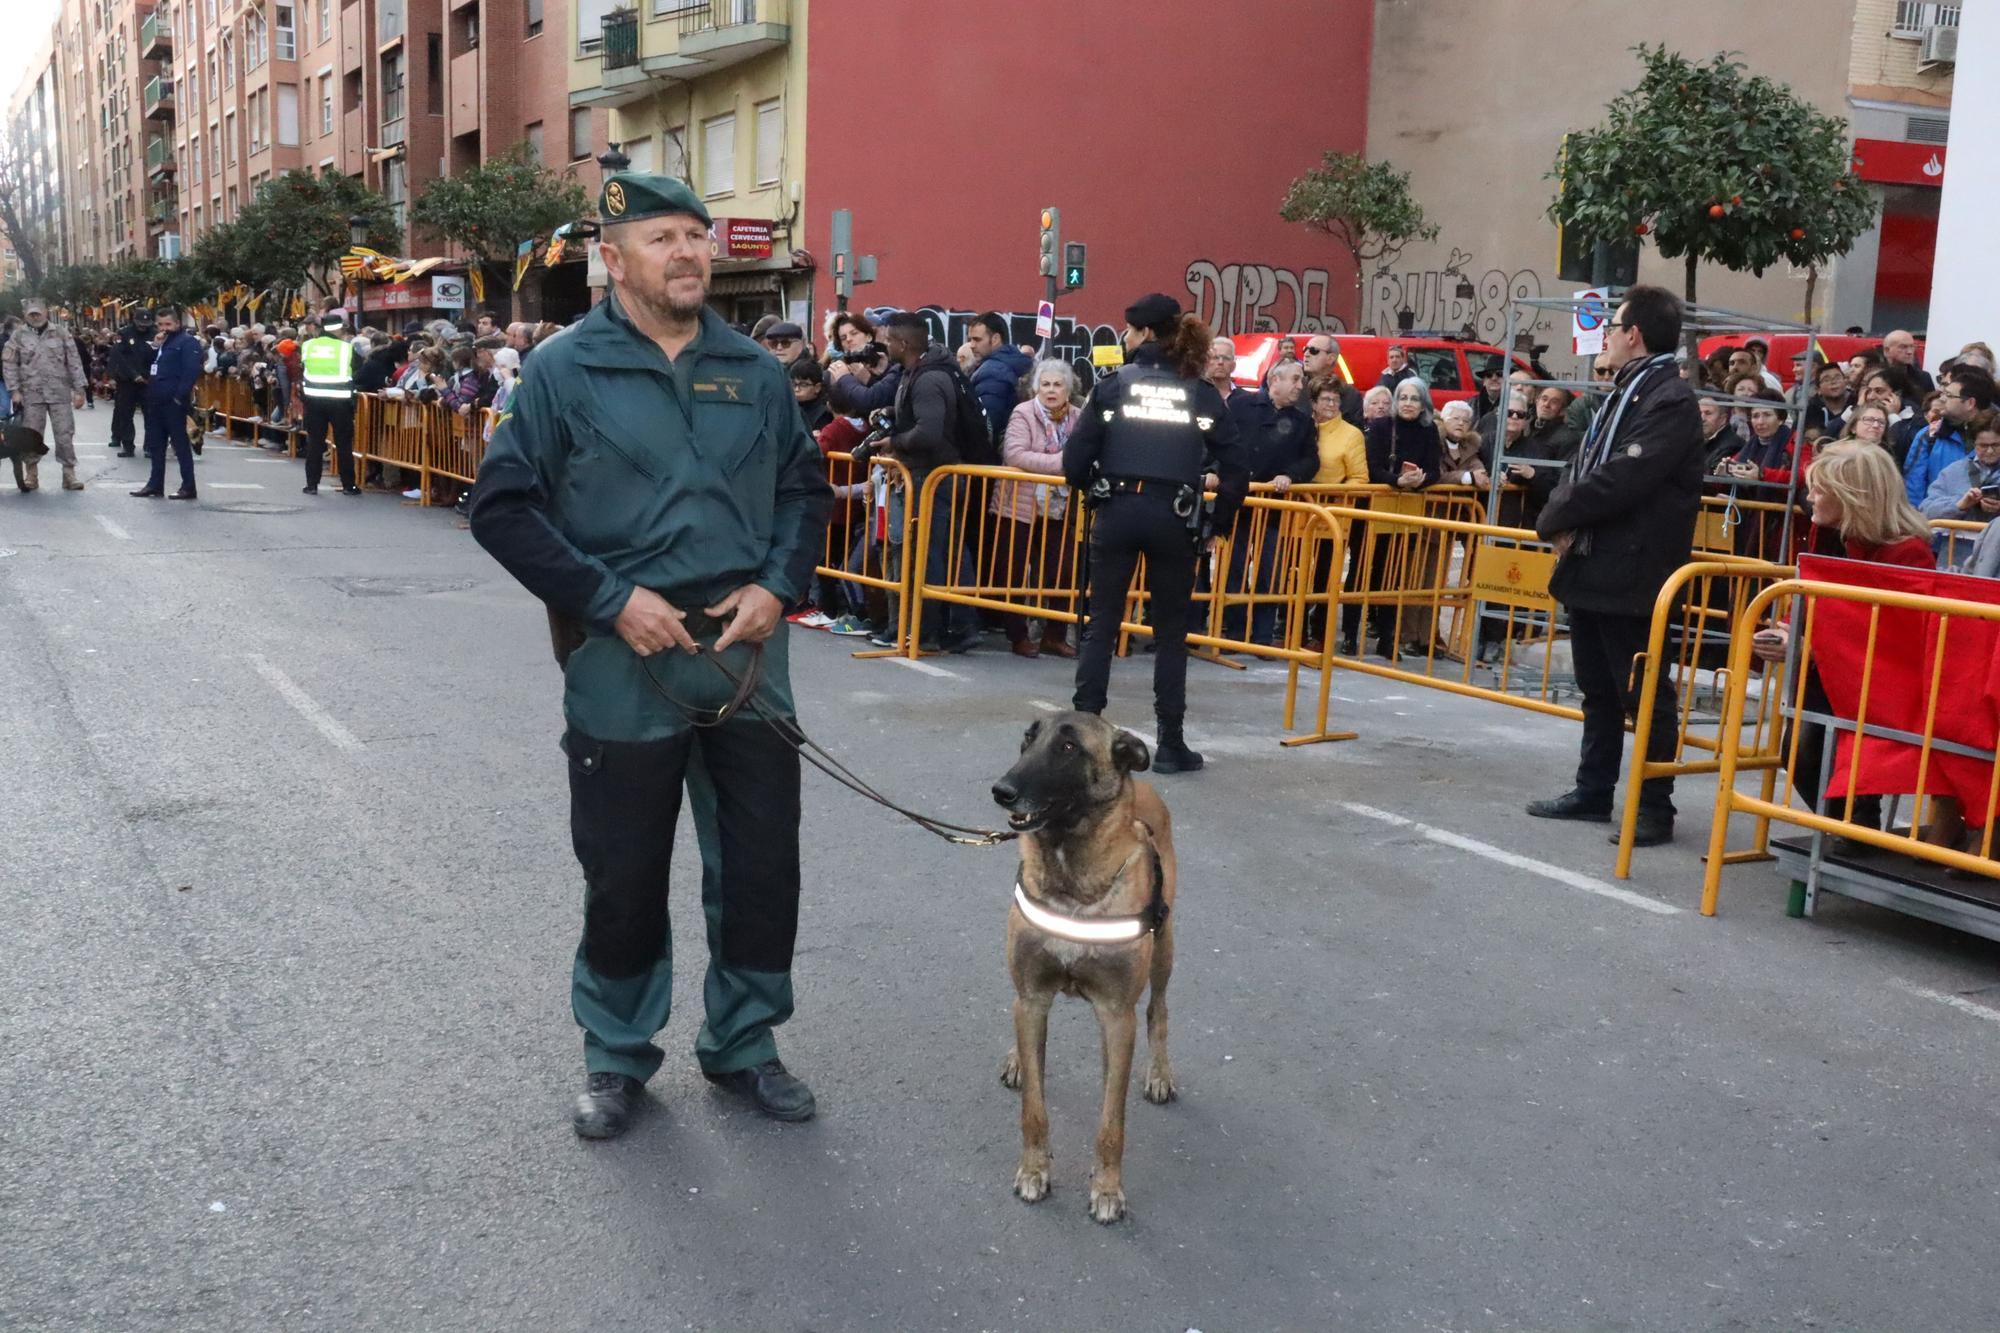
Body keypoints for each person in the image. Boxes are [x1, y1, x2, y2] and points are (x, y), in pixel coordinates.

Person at [469, 172, 831, 1140]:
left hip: (745, 658)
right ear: (613, 255)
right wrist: (609, 599)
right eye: (664, 237)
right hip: (622, 659)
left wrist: (775, 585)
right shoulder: (560, 371)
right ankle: (617, 1054)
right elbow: (501, 509)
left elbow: (804, 490)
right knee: (623, 870)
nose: (687, 254)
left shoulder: (753, 372)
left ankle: (744, 1042)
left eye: (697, 237)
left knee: (761, 865)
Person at [1527, 284, 1703, 847]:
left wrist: (1554, 515)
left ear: (1635, 335)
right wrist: (1562, 510)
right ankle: (1593, 789)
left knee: (1645, 692)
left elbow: (1624, 477)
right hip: (1593, 562)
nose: (1604, 335)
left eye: (1613, 325)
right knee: (1597, 688)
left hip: (1635, 569)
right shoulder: (1625, 392)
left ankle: (1656, 805)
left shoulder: (1669, 400)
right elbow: (1583, 462)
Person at [1065, 293, 1248, 772]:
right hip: (1175, 518)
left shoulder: (1113, 386)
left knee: (1102, 625)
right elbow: (1235, 467)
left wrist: (1096, 488)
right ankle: (1171, 745)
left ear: (1145, 333)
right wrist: (1217, 523)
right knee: (1171, 635)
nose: (1124, 339)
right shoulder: (1199, 392)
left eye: (1128, 331)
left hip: (1118, 512)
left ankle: (1084, 742)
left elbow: (1074, 461)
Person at [1750, 442, 1937, 841]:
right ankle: (1848, 828)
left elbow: (1896, 634)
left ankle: (1858, 828)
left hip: (1874, 681)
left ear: (1852, 495)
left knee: (1831, 758)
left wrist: (1811, 645)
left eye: (1819, 489)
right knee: (1800, 755)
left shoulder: (1907, 552)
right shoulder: (1833, 534)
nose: (1810, 496)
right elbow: (1811, 596)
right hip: (1829, 671)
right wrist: (1786, 630)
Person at [876, 308, 983, 651]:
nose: (885, 345)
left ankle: (929, 631)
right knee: (944, 551)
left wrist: (894, 441)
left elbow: (930, 432)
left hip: (933, 476)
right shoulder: (918, 372)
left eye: (889, 339)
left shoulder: (928, 377)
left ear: (903, 342)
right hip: (932, 474)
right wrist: (892, 414)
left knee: (932, 555)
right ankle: (953, 627)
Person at [1220, 360, 1319, 646]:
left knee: (1270, 571)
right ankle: (1235, 632)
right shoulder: (1240, 406)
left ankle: (1263, 635)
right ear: (1275, 380)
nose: (1300, 386)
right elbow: (1220, 442)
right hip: (1239, 502)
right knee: (1235, 568)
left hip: (1274, 508)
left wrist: (1291, 475)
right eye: (1296, 379)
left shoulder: (1302, 421)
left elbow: (1311, 459)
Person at [993, 359, 1081, 659]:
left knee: (1062, 571)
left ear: (1068, 389)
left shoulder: (1078, 417)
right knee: (1014, 571)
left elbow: (1083, 454)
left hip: (1060, 508)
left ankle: (1053, 636)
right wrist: (1061, 464)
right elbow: (1016, 454)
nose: (1051, 390)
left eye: (1058, 384)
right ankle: (1018, 636)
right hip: (1019, 505)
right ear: (1035, 388)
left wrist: (1068, 465)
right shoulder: (1023, 413)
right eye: (1045, 384)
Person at [1301, 372, 1370, 652]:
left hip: (1332, 515)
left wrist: (1336, 494)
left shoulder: (1351, 435)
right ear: (1313, 403)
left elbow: (1360, 478)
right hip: (1299, 512)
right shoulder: (1302, 426)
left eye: (1335, 399)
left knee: (1324, 577)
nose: (1331, 404)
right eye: (1325, 399)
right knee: (1296, 573)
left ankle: (1319, 632)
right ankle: (1291, 627)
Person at [3, 298, 88, 491]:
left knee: (65, 434)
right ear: (25, 315)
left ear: (46, 313)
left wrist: (79, 390)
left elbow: (74, 361)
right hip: (31, 395)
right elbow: (9, 364)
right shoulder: (18, 336)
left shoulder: (60, 333)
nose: (35, 317)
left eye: (38, 313)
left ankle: (69, 474)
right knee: (31, 436)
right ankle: (31, 474)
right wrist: (14, 391)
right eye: (31, 314)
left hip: (59, 393)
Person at [131, 308, 203, 501]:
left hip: (173, 401)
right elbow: (146, 364)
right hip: (155, 400)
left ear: (177, 324)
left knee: (180, 446)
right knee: (156, 445)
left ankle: (188, 486)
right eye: (160, 324)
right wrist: (154, 346)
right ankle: (155, 484)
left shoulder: (187, 342)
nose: (164, 328)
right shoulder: (162, 343)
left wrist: (179, 397)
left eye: (168, 324)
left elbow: (191, 371)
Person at [1904, 367, 1995, 509]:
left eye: (1949, 395)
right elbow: (1913, 487)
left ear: (1970, 403)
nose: (1942, 398)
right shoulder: (1929, 436)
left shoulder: (1996, 437)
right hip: (1937, 523)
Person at [299, 311, 361, 497]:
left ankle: (312, 485)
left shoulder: (308, 345)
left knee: (315, 443)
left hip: (313, 401)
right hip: (340, 402)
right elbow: (358, 368)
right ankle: (348, 485)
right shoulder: (346, 348)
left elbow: (304, 367)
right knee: (343, 444)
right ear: (338, 329)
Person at [1918, 409, 2000, 532]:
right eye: (1983, 446)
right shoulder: (1953, 471)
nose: (1989, 451)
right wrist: (1960, 504)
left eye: (1995, 445)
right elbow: (1925, 510)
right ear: (1974, 444)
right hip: (1958, 547)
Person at [966, 311, 1033, 443]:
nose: (972, 345)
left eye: (977, 339)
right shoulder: (1013, 361)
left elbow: (987, 425)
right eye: (970, 340)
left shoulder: (992, 372)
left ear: (995, 339)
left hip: (993, 455)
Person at [106, 312, 154, 459]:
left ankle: (150, 446)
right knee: (126, 414)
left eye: (145, 325)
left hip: (148, 381)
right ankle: (128, 446)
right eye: (140, 324)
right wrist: (133, 375)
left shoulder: (154, 334)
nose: (143, 328)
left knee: (151, 415)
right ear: (135, 321)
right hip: (127, 381)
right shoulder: (124, 333)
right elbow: (119, 357)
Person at [1298, 335, 1362, 426]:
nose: (1306, 354)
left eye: (1313, 350)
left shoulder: (1349, 394)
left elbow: (1355, 432)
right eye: (1305, 349)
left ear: (1331, 358)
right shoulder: (1296, 387)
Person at [1802, 362, 1853, 437]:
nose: (1833, 382)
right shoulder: (1810, 409)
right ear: (1818, 389)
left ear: (1845, 382)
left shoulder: (1856, 404)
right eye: (1826, 380)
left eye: (1837, 378)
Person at [789, 355, 834, 434]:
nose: (796, 389)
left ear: (817, 387)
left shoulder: (824, 414)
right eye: (794, 384)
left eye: (803, 384)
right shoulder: (788, 406)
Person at [1882, 328, 1932, 394]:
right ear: (1887, 351)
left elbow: (1929, 402)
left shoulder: (1923, 377)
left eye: (1912, 346)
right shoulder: (1874, 375)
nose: (1909, 352)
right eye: (1903, 347)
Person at [1204, 336, 1244, 407]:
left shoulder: (1245, 398)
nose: (1220, 362)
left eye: (1226, 358)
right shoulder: (1196, 393)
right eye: (1215, 357)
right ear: (1206, 363)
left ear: (1233, 365)